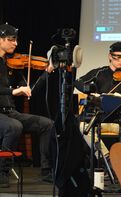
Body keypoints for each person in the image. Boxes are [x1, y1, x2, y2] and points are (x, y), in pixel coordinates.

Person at [0, 23, 55, 187]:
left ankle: (46, 170)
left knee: (47, 124)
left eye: (16, 40)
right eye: (11, 40)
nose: (15, 44)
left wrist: (47, 71)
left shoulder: (12, 64)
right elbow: (11, 91)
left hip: (10, 112)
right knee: (14, 127)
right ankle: (2, 172)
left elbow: (31, 90)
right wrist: (13, 92)